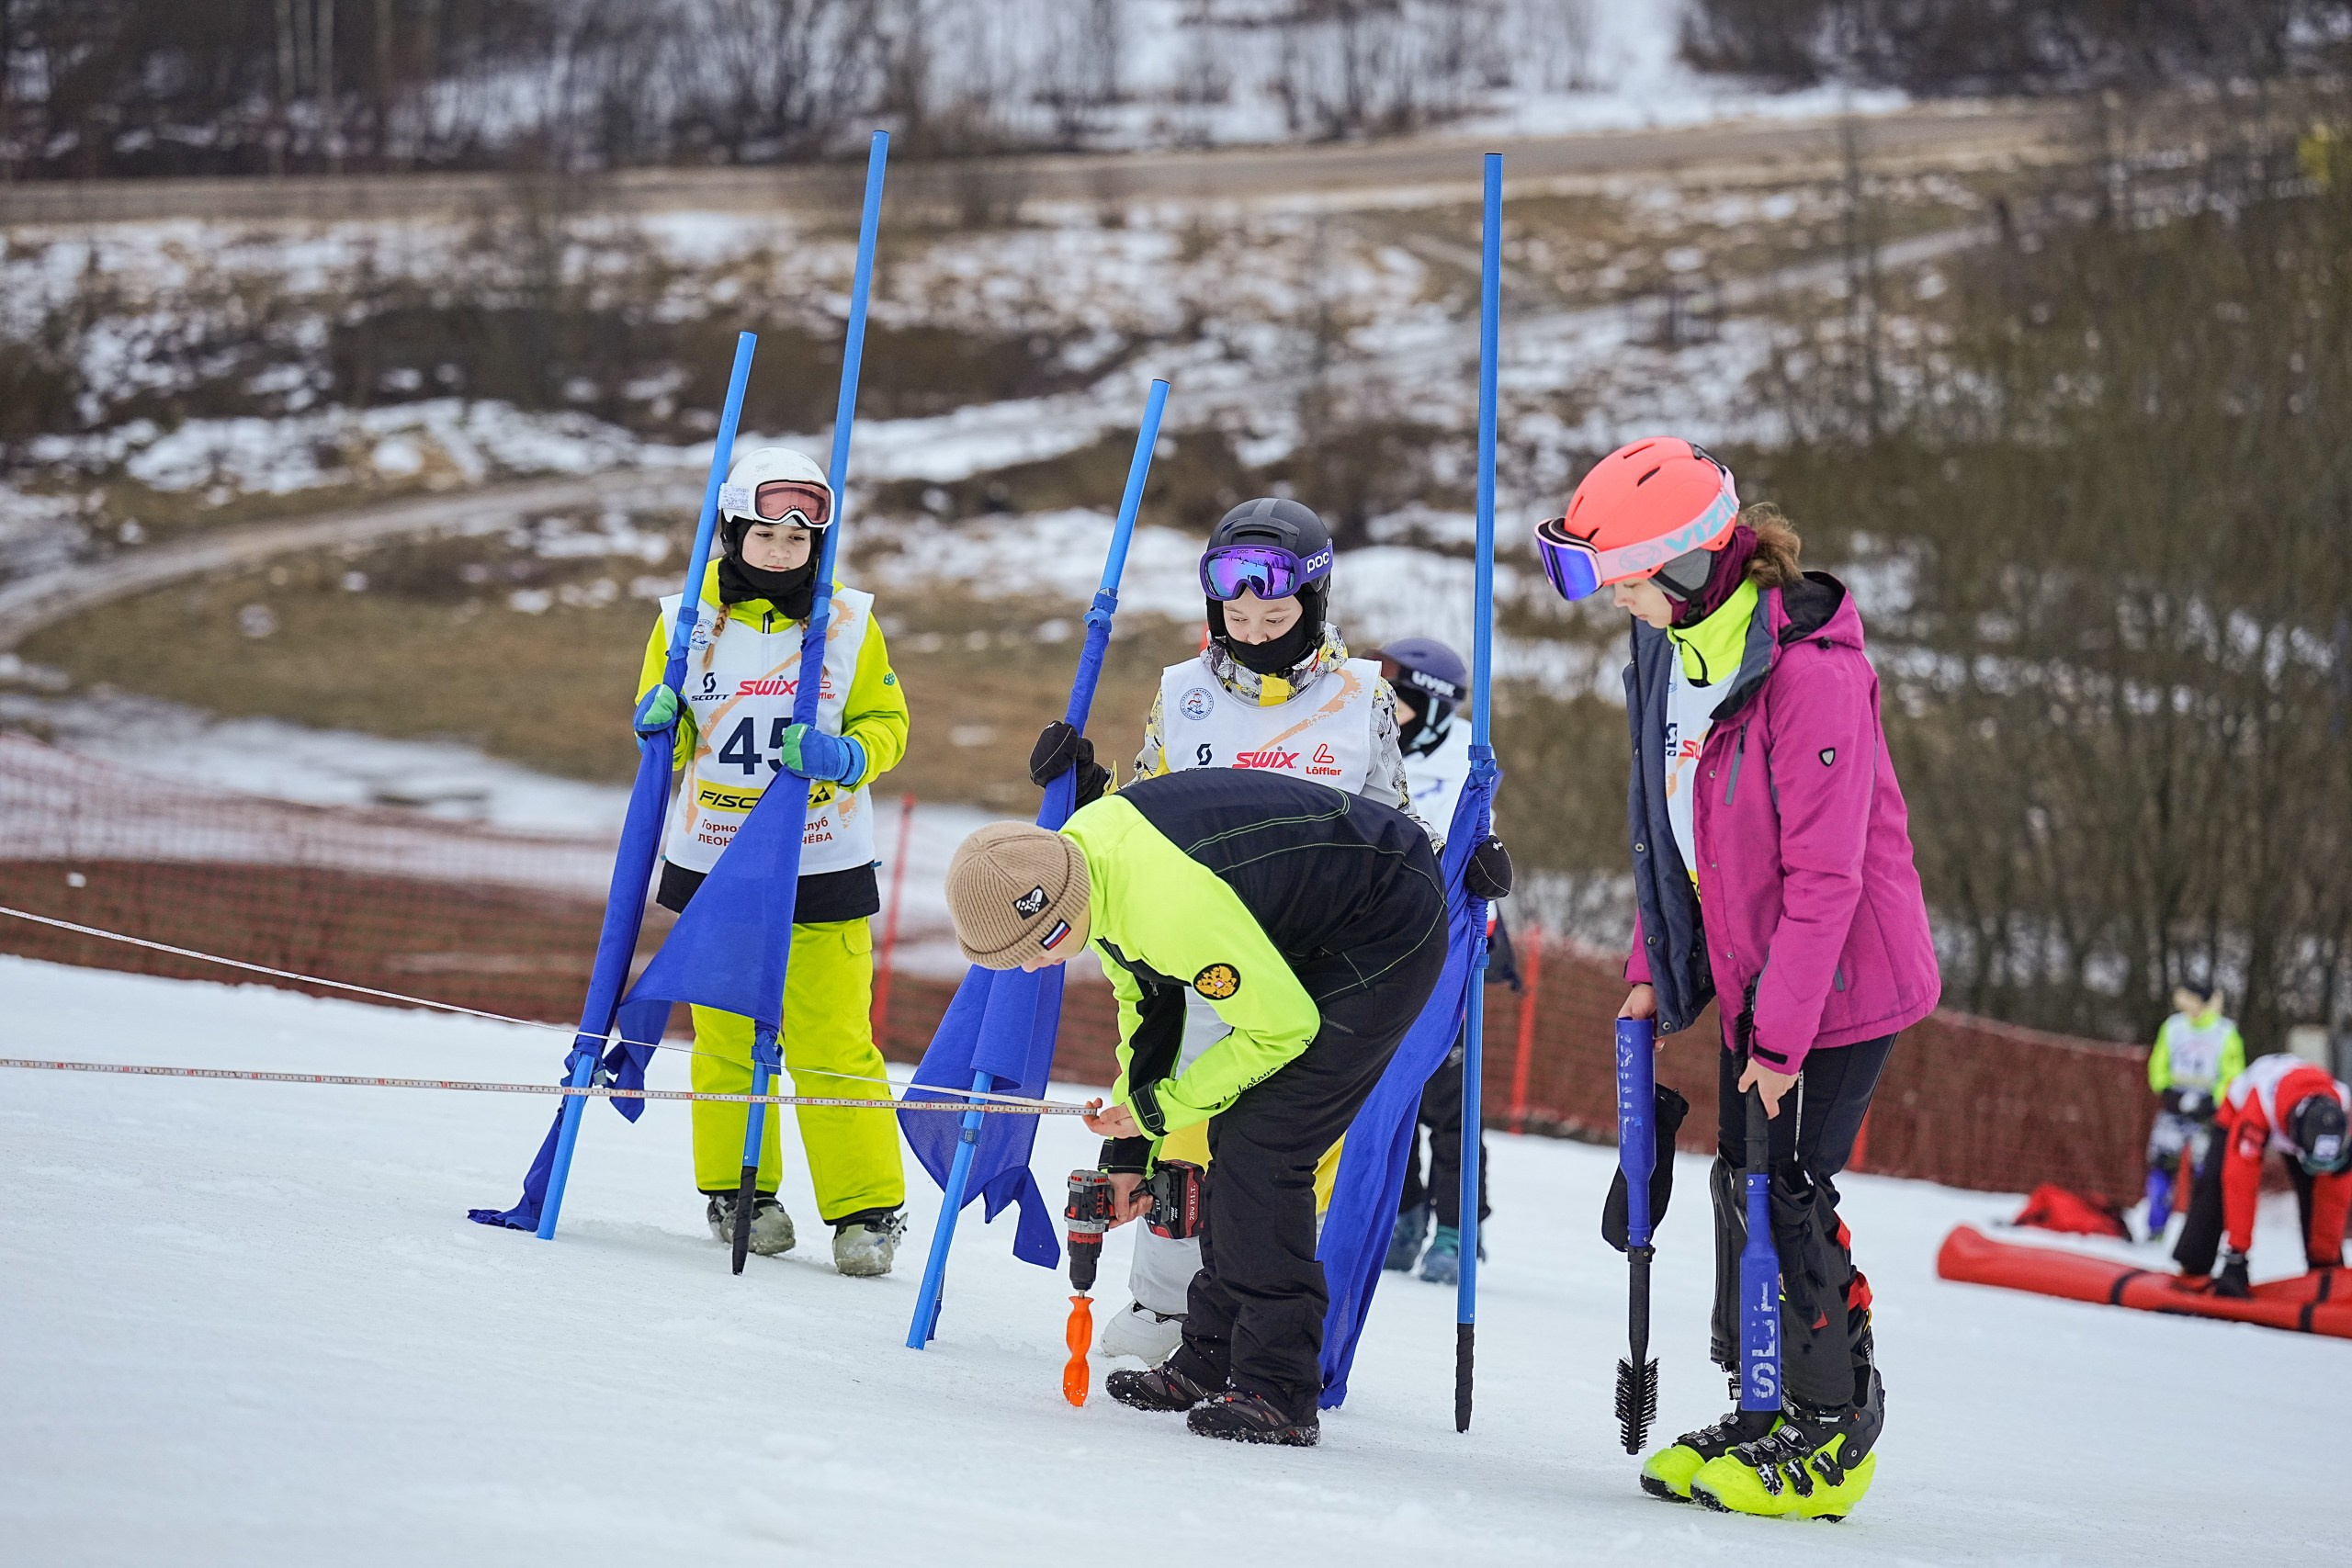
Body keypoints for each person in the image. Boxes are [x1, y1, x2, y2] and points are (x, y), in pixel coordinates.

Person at [1534, 436, 1940, 1519]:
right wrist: (1648, 966)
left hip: (1835, 982)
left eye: (1612, 574)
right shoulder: (1674, 654)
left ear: (1675, 562)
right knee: (1737, 1182)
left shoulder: (1809, 677)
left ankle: (1830, 1430)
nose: (1606, 596)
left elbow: (1827, 876)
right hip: (1753, 970)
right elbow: (1669, 833)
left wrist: (1779, 1041)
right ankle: (1761, 1405)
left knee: (1789, 1189)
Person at [940, 768, 1508, 1445]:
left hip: (1388, 922)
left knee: (1268, 1142)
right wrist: (1129, 1148)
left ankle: (1280, 1387)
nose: (1035, 968)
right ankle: (1215, 1356)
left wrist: (1164, 1108)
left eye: (1039, 948)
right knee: (1235, 1135)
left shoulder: (1166, 901)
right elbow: (1150, 1010)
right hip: (1319, 918)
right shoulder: (1086, 861)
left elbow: (1283, 1027)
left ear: (1063, 903)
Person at [1027, 495, 1431, 1363]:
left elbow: (1392, 819)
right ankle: (1170, 1308)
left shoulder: (1361, 696)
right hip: (1199, 947)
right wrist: (1086, 782)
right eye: (1233, 611)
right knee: (1183, 1123)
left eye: (1274, 611)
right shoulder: (1186, 693)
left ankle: (1265, 1326)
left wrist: (1459, 856)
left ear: (1314, 603)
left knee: (1285, 1148)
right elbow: (1136, 818)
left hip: (1315, 951)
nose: (1251, 627)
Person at [632, 446, 910, 1276]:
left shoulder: (850, 622)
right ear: (732, 532)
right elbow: (673, 727)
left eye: (798, 541)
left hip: (822, 860)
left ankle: (866, 1211)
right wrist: (657, 724)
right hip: (715, 859)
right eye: (765, 536)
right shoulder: (685, 618)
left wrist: (846, 755)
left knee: (833, 1037)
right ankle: (739, 1190)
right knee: (725, 1033)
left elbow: (888, 726)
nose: (782, 553)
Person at [1371, 637, 1520, 1284]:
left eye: (1396, 699)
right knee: (1382, 1084)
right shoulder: (1370, 748)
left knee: (1450, 1098)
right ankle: (1404, 1213)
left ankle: (1458, 1226)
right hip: (1382, 944)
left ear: (1430, 705)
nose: (1384, 709)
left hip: (1453, 941)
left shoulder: (1467, 757)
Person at [2173, 1050, 2350, 1295]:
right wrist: (2237, 1256)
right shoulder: (2260, 1105)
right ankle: (2194, 1263)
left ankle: (2321, 1266)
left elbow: (2335, 1195)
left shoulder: (2341, 1109)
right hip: (2242, 1108)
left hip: (2300, 1115)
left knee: (2317, 1192)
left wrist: (2326, 1261)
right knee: (2216, 1183)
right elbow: (2239, 1183)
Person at [2142, 981, 2245, 1238]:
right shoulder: (2174, 1027)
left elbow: (2233, 1074)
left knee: (2205, 1175)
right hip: (2174, 1108)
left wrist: (2215, 1102)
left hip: (2208, 1115)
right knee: (2162, 1168)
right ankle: (2156, 1228)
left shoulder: (2225, 1032)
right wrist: (2166, 1091)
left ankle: (2197, 1233)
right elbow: (2159, 1063)